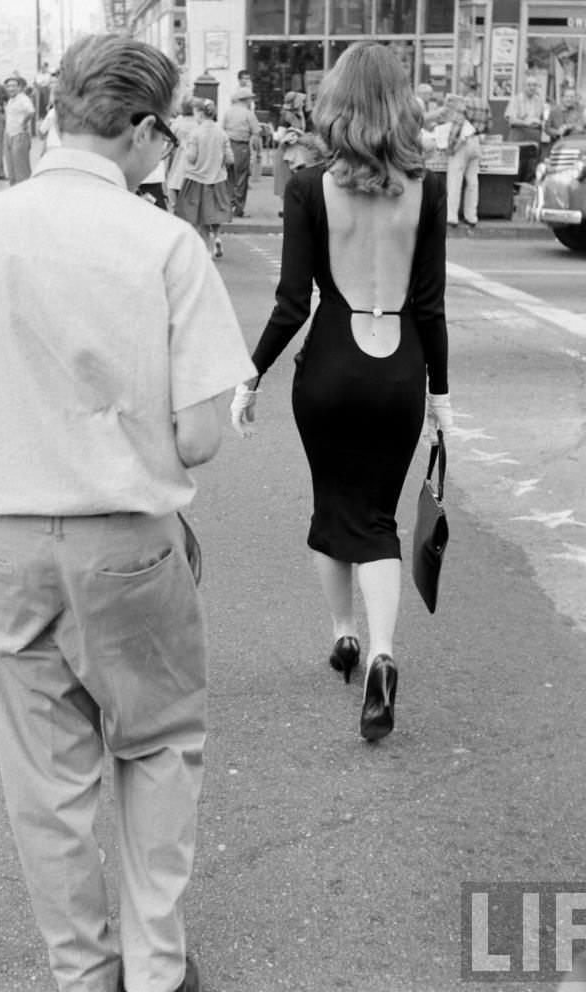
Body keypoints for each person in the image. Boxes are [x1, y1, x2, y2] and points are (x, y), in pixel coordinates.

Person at [0, 32, 255, 992]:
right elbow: (198, 438)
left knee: (46, 786)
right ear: (139, 129)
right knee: (156, 748)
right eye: (163, 132)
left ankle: (82, 972)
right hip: (127, 541)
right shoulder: (164, 244)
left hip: (0, 537)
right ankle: (155, 965)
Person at [230, 42, 451, 743]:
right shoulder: (430, 187)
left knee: (332, 505)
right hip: (398, 368)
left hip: (330, 361)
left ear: (336, 103)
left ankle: (345, 634)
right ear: (401, 103)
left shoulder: (307, 186)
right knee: (378, 517)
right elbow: (432, 306)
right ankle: (384, 653)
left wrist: (252, 373)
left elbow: (293, 301)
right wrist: (441, 403)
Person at [174, 98, 233, 259]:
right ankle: (217, 237)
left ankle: (206, 251)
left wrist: (186, 147)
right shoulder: (221, 133)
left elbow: (192, 158)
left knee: (200, 216)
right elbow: (229, 159)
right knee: (214, 212)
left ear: (200, 113)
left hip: (197, 178)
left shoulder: (196, 133)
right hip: (218, 178)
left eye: (195, 113)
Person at [433, 92, 481, 231]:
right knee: (473, 181)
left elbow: (456, 129)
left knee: (455, 180)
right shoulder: (481, 103)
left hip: (462, 145)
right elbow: (488, 124)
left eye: (449, 101)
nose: (447, 104)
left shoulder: (461, 107)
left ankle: (452, 217)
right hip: (475, 142)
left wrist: (450, 147)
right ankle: (471, 216)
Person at [222, 85, 260, 216]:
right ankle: (238, 208)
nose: (251, 102)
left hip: (227, 145)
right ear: (245, 100)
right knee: (241, 178)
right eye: (250, 99)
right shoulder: (249, 114)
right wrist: (257, 152)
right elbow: (256, 134)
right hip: (242, 147)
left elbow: (222, 129)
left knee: (228, 177)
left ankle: (228, 206)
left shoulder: (228, 112)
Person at [3, 74, 37, 185]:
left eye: (13, 86)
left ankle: (25, 195)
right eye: (8, 86)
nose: (11, 88)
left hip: (19, 136)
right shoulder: (11, 100)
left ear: (19, 87)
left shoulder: (23, 98)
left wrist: (24, 122)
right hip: (9, 136)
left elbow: (31, 111)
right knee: (11, 169)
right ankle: (13, 194)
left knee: (21, 170)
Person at [167, 97, 198, 212]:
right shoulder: (198, 122)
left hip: (179, 155)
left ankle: (175, 206)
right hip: (195, 156)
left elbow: (169, 136)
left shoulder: (178, 122)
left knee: (173, 181)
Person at [504, 73, 545, 150]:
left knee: (534, 162)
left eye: (534, 85)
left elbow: (543, 120)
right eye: (529, 85)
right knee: (517, 161)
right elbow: (511, 120)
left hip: (534, 141)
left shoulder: (540, 101)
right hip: (518, 139)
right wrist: (526, 123)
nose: (532, 87)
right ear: (524, 86)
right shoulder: (516, 99)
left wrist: (542, 122)